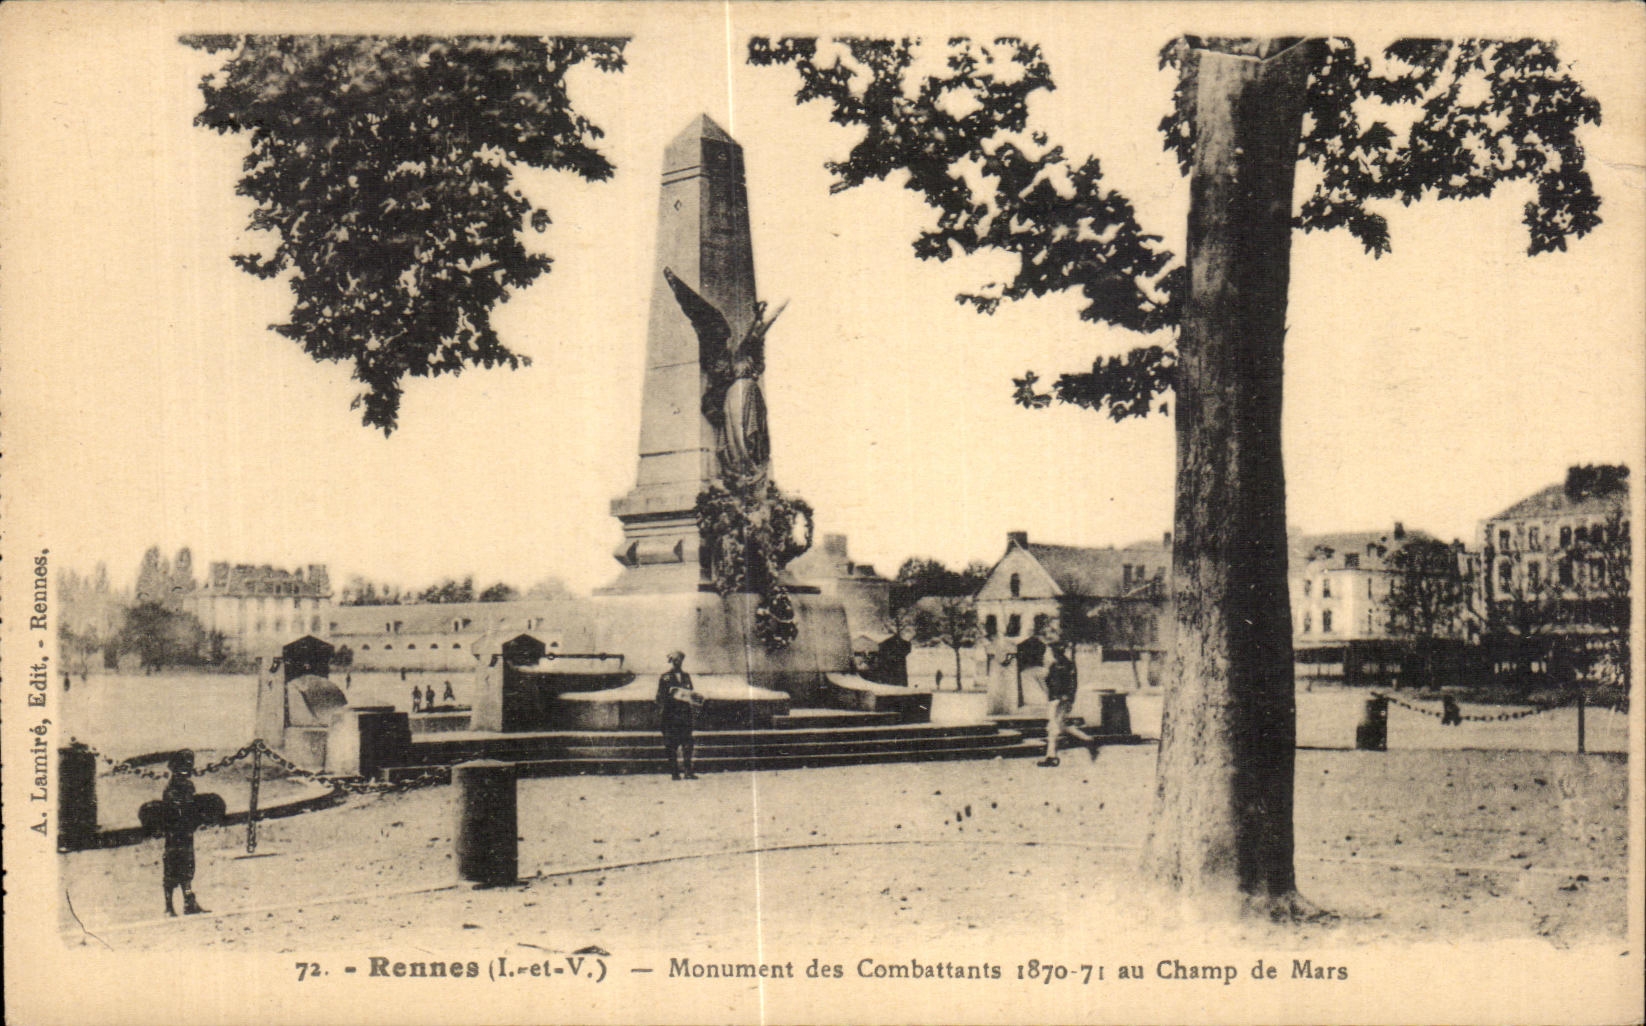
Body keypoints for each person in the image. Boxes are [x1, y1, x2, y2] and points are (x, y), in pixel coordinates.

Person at [1039, 627, 1098, 767]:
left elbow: (1064, 682)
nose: (1046, 653)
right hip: (1059, 697)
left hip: (1059, 698)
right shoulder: (1062, 663)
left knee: (1053, 726)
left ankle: (1052, 756)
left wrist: (1065, 697)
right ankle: (1088, 740)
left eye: (1049, 649)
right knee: (1059, 725)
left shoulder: (1059, 664)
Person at [160, 751, 208, 916]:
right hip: (175, 833)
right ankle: (169, 906)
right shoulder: (172, 789)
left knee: (187, 866)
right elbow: (174, 810)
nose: (188, 769)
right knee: (172, 867)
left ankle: (188, 902)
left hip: (185, 832)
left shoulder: (187, 785)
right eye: (185, 766)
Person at [656, 650, 701, 780]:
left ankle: (688, 771)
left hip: (685, 715)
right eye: (675, 660)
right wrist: (670, 694)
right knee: (671, 745)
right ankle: (674, 772)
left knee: (688, 743)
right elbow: (659, 696)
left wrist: (695, 698)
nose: (678, 662)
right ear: (671, 661)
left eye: (680, 660)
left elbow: (690, 693)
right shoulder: (665, 677)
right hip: (671, 715)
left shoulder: (686, 676)